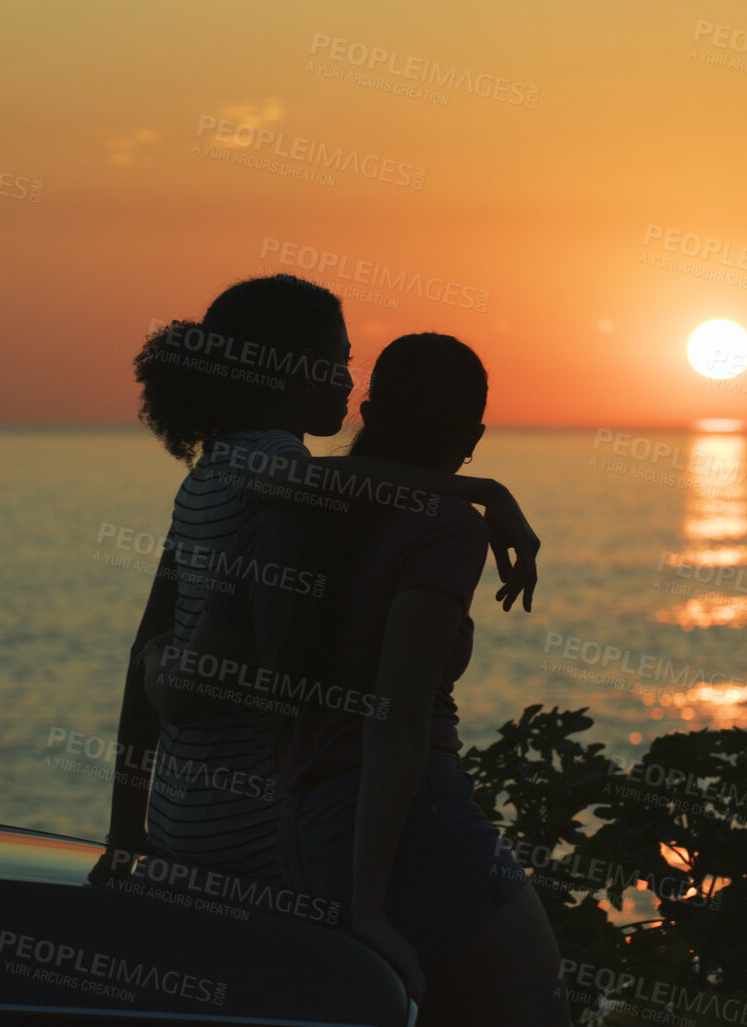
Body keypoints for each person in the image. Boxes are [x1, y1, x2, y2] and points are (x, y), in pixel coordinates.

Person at [159, 334, 567, 1025]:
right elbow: (397, 715)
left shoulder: (275, 513)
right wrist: (370, 903)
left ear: (368, 411)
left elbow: (195, 681)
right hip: (411, 825)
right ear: (473, 434)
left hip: (304, 829)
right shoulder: (444, 527)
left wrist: (151, 664)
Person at [101, 276, 541, 887]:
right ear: (294, 373)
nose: (347, 381)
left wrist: (124, 830)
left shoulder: (204, 479)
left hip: (179, 819)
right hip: (252, 825)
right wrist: (485, 492)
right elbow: (335, 482)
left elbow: (141, 653)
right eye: (340, 363)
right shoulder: (278, 468)